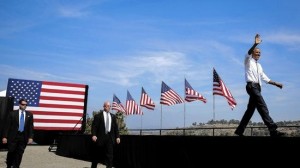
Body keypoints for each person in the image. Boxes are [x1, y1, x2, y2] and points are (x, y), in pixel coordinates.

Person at [235, 34, 285, 137]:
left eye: (260, 53)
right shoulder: (248, 61)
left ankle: (239, 131)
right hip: (251, 86)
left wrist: (276, 84)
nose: (258, 54)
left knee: (250, 111)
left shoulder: (259, 65)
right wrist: (255, 44)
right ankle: (273, 130)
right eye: (257, 52)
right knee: (263, 107)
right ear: (253, 53)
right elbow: (248, 53)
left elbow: (264, 77)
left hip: (257, 87)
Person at [2, 98, 34, 168]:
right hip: (13, 137)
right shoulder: (12, 114)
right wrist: (5, 136)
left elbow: (31, 127)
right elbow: (7, 126)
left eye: (26, 105)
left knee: (19, 153)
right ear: (19, 104)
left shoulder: (29, 115)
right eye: (23, 104)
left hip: (23, 137)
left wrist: (31, 137)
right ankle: (9, 165)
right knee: (11, 152)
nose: (24, 106)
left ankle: (16, 166)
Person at [91, 101, 120, 168]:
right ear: (104, 106)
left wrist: (117, 137)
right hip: (100, 138)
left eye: (109, 106)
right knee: (97, 155)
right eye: (107, 106)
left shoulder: (113, 116)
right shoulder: (98, 116)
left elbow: (116, 128)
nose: (109, 107)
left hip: (110, 138)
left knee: (110, 156)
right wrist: (94, 135)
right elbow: (94, 127)